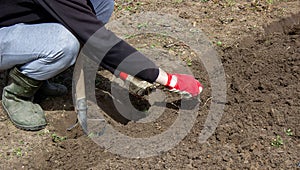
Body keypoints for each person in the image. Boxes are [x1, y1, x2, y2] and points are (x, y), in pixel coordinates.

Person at [0, 0, 203, 131]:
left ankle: (38, 68)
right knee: (64, 43)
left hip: (20, 17)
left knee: (101, 3)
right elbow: (98, 38)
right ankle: (17, 95)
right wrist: (166, 78)